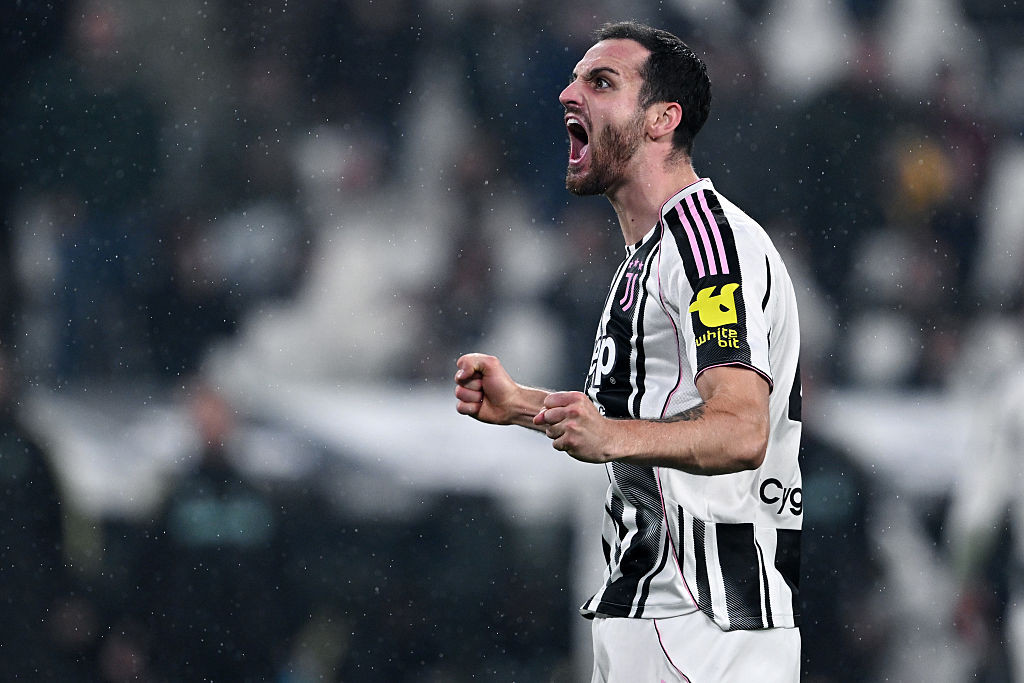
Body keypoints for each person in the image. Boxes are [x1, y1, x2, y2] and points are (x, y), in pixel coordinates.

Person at [454, 21, 803, 682]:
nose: (569, 94)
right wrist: (523, 405)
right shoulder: (648, 256)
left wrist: (610, 435)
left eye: (601, 82)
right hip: (654, 613)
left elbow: (741, 428)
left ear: (662, 119)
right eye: (574, 80)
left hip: (706, 625)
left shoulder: (708, 247)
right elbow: (637, 420)